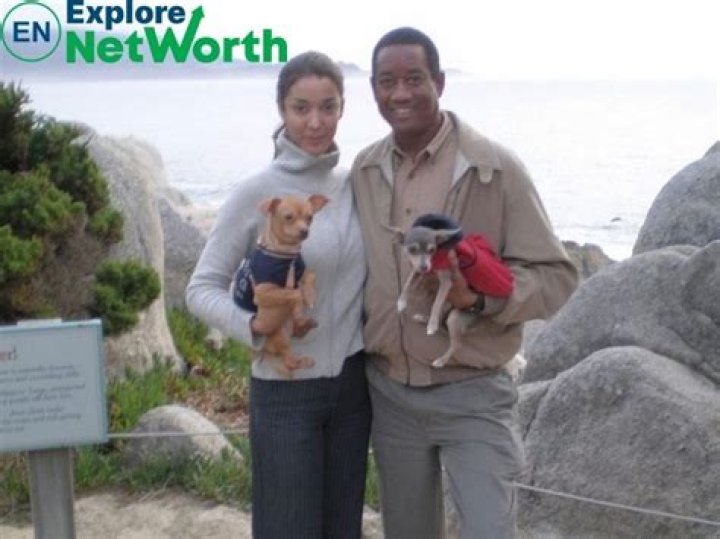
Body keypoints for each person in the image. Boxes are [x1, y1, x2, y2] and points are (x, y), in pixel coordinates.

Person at [350, 27, 579, 538]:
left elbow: (557, 277)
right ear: (373, 89)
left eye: (415, 78)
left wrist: (477, 300)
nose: (401, 93)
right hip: (389, 396)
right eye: (387, 81)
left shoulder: (494, 168)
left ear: (439, 82)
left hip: (474, 393)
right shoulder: (363, 170)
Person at [186, 51, 370, 539]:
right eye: (300, 108)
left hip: (353, 389)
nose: (315, 122)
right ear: (282, 110)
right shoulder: (258, 192)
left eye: (328, 107)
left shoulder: (354, 186)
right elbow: (200, 288)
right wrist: (252, 326)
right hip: (284, 393)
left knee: (342, 530)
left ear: (343, 108)